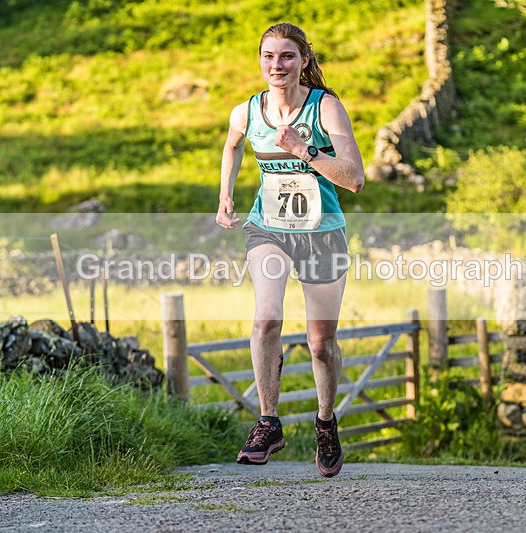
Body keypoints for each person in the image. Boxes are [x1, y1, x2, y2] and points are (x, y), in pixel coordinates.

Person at [215, 22, 364, 477]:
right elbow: (233, 146)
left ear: (303, 61)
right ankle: (268, 421)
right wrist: (226, 193)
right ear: (259, 60)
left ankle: (324, 422)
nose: (276, 65)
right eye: (268, 56)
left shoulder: (326, 108)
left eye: (286, 57)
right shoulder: (246, 111)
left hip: (322, 232)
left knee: (321, 344)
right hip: (269, 228)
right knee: (266, 318)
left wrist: (304, 150)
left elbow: (354, 179)